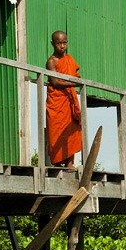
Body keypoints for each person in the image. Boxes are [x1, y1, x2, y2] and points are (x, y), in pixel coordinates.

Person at [45, 30, 82, 167]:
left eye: (64, 43)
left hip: (69, 99)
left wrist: (75, 81)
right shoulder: (51, 62)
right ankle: (57, 162)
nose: (62, 46)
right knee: (56, 130)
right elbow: (55, 82)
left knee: (71, 129)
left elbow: (77, 75)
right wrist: (74, 82)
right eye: (59, 43)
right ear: (52, 44)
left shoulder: (69, 60)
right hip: (57, 100)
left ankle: (70, 163)